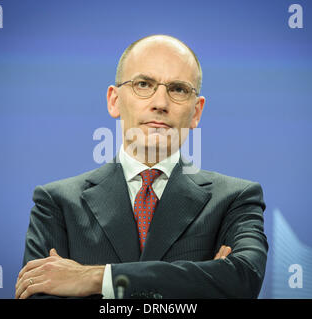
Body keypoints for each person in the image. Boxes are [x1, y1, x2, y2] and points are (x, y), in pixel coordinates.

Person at [15, 34, 268, 299]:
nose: (160, 103)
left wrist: (98, 279)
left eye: (178, 89)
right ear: (114, 100)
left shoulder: (236, 200)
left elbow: (243, 279)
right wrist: (202, 283)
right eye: (144, 84)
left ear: (196, 112)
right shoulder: (57, 204)